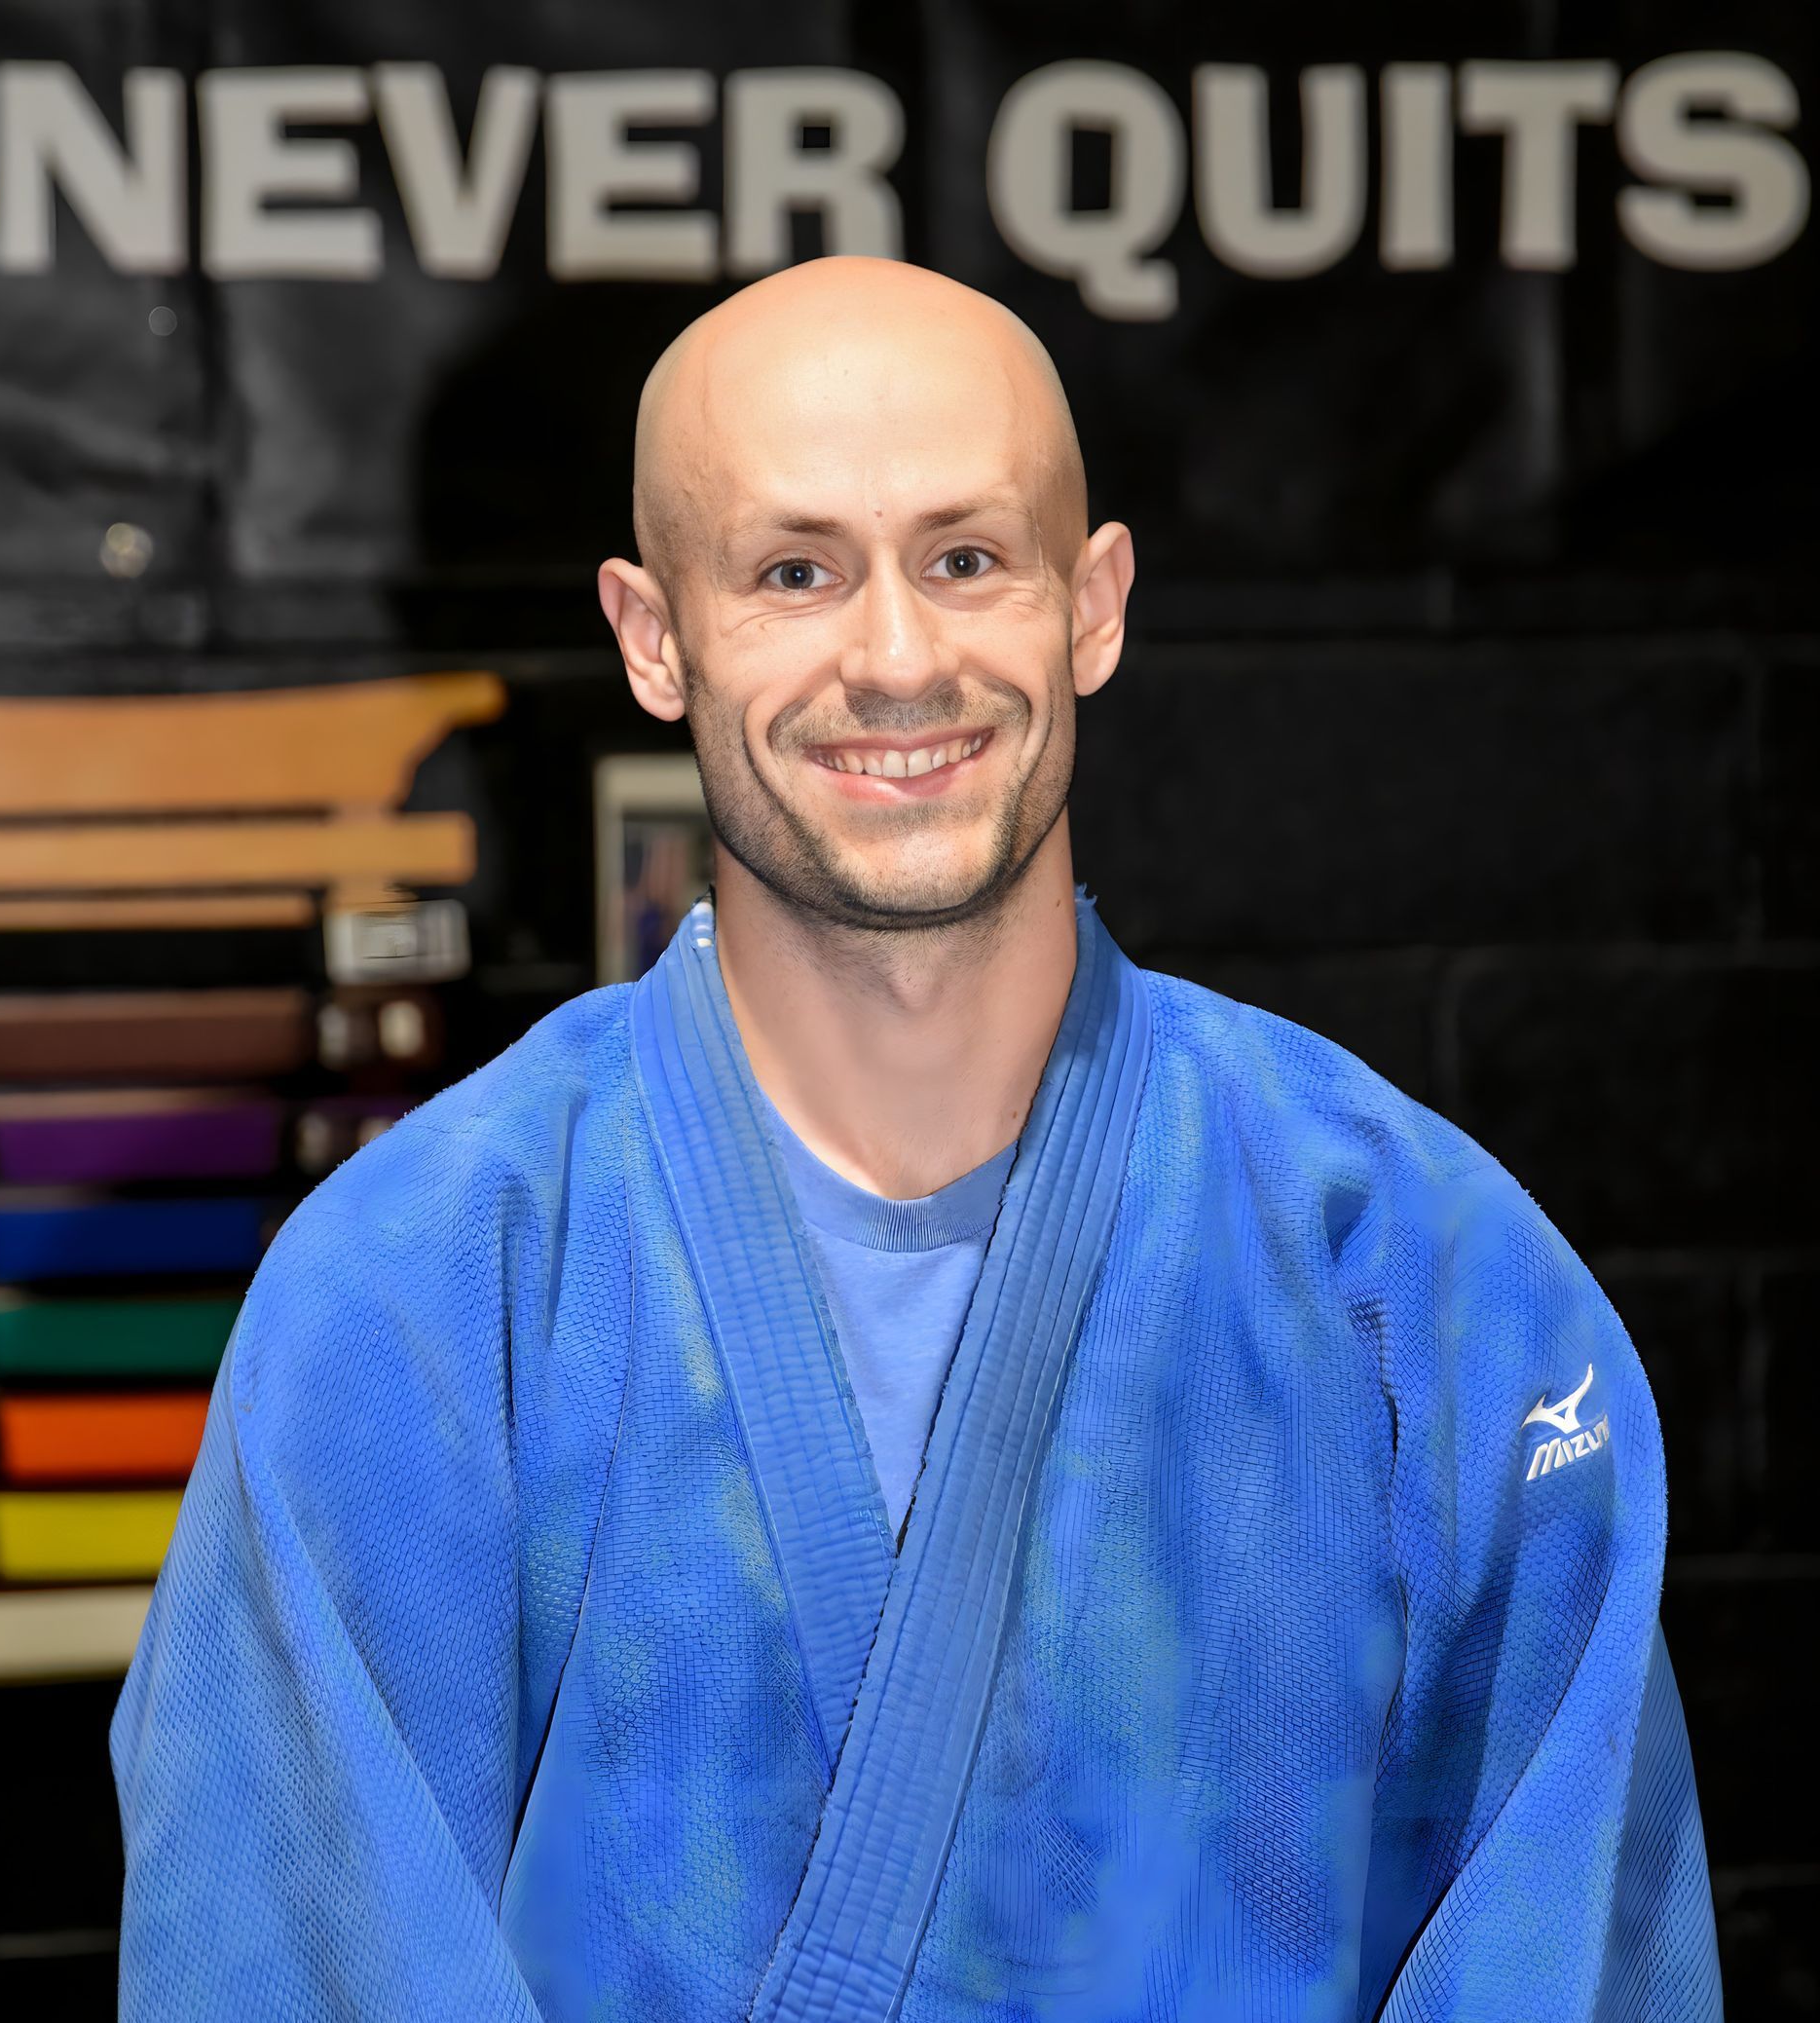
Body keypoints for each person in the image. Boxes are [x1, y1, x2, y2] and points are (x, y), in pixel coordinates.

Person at [111, 257, 1722, 2022]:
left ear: (1092, 603)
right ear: (657, 636)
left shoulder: (1423, 1277)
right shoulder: (411, 1298)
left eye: (968, 558)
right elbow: (291, 1960)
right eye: (795, 571)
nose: (896, 658)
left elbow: (1570, 1953)